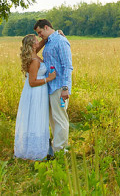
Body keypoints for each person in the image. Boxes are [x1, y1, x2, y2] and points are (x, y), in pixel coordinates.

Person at [13, 34, 56, 161]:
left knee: (37, 117)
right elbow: (32, 82)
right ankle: (34, 151)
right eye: (36, 41)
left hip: (39, 92)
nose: (39, 41)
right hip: (35, 92)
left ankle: (39, 148)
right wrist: (49, 78)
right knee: (36, 117)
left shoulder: (34, 54)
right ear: (32, 45)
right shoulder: (34, 61)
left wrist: (51, 35)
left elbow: (41, 44)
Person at [34, 18, 72, 156]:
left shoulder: (61, 41)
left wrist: (65, 88)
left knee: (60, 119)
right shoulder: (49, 42)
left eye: (40, 32)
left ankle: (60, 151)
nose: (39, 36)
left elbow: (67, 66)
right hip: (50, 87)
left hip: (59, 88)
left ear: (46, 27)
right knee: (53, 120)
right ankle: (57, 149)